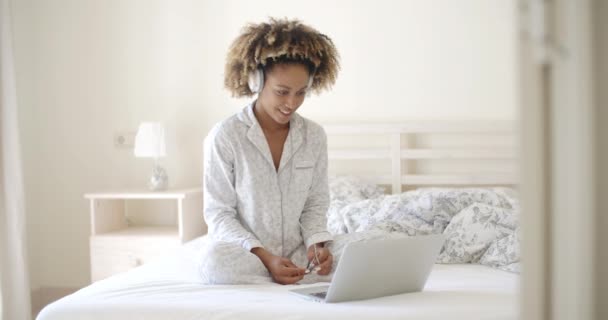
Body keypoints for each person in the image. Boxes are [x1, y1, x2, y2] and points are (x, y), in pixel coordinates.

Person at [199, 18, 340, 285]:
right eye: (282, 92)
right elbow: (219, 214)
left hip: (300, 252)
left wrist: (317, 246)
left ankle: (296, 271)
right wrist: (266, 258)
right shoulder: (226, 136)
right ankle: (278, 273)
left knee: (372, 244)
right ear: (256, 81)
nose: (291, 103)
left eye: (301, 93)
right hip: (250, 255)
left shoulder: (314, 136)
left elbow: (315, 204)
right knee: (214, 263)